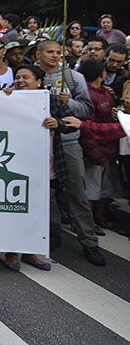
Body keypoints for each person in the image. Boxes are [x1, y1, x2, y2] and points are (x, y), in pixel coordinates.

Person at [33, 40, 104, 265]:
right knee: (44, 192)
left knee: (77, 191)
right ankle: (51, 233)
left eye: (58, 53)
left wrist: (69, 103)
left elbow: (87, 110)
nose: (55, 56)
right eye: (50, 52)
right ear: (39, 54)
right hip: (36, 143)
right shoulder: (28, 74)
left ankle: (89, 241)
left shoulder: (74, 77)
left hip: (68, 141)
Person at [1, 65, 60, 272]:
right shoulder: (8, 98)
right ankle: (12, 252)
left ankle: (30, 251)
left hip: (45, 163)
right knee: (15, 207)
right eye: (17, 77)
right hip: (17, 163)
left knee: (38, 208)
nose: (20, 81)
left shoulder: (51, 100)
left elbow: (71, 120)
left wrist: (57, 122)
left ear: (39, 81)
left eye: (26, 77)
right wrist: (6, 96)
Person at [65, 59, 124, 233]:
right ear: (102, 74)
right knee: (90, 190)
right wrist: (95, 152)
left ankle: (99, 216)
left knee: (102, 187)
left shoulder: (106, 92)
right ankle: (84, 223)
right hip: (96, 149)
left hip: (108, 148)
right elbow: (86, 128)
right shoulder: (90, 96)